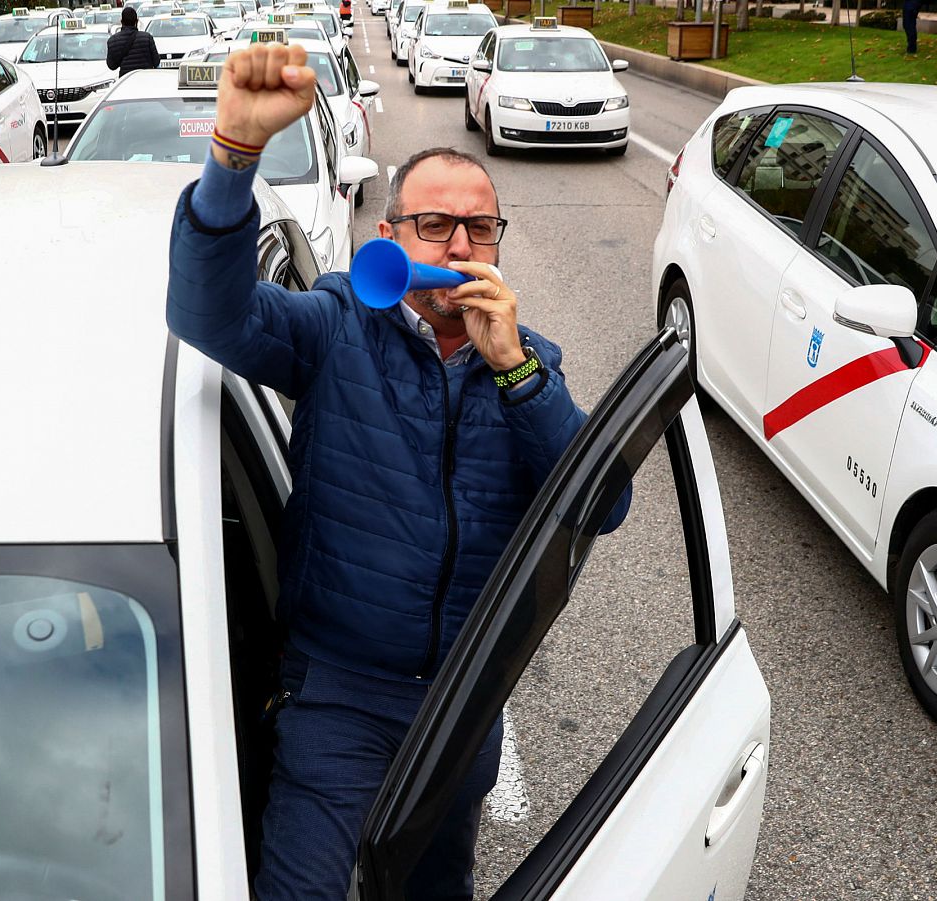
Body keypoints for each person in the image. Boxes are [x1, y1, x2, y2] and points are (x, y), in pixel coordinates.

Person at [165, 42, 631, 901]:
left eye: (479, 227)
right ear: (391, 236)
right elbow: (209, 310)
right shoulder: (338, 325)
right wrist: (232, 157)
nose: (458, 245)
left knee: (431, 886)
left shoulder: (530, 366)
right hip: (338, 689)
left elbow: (604, 501)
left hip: (460, 699)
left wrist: (517, 370)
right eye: (433, 226)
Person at [106, 7, 160, 75]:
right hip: (146, 79)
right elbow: (156, 62)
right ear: (136, 21)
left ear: (122, 22)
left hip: (126, 80)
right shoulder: (147, 38)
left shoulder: (112, 41)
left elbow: (111, 66)